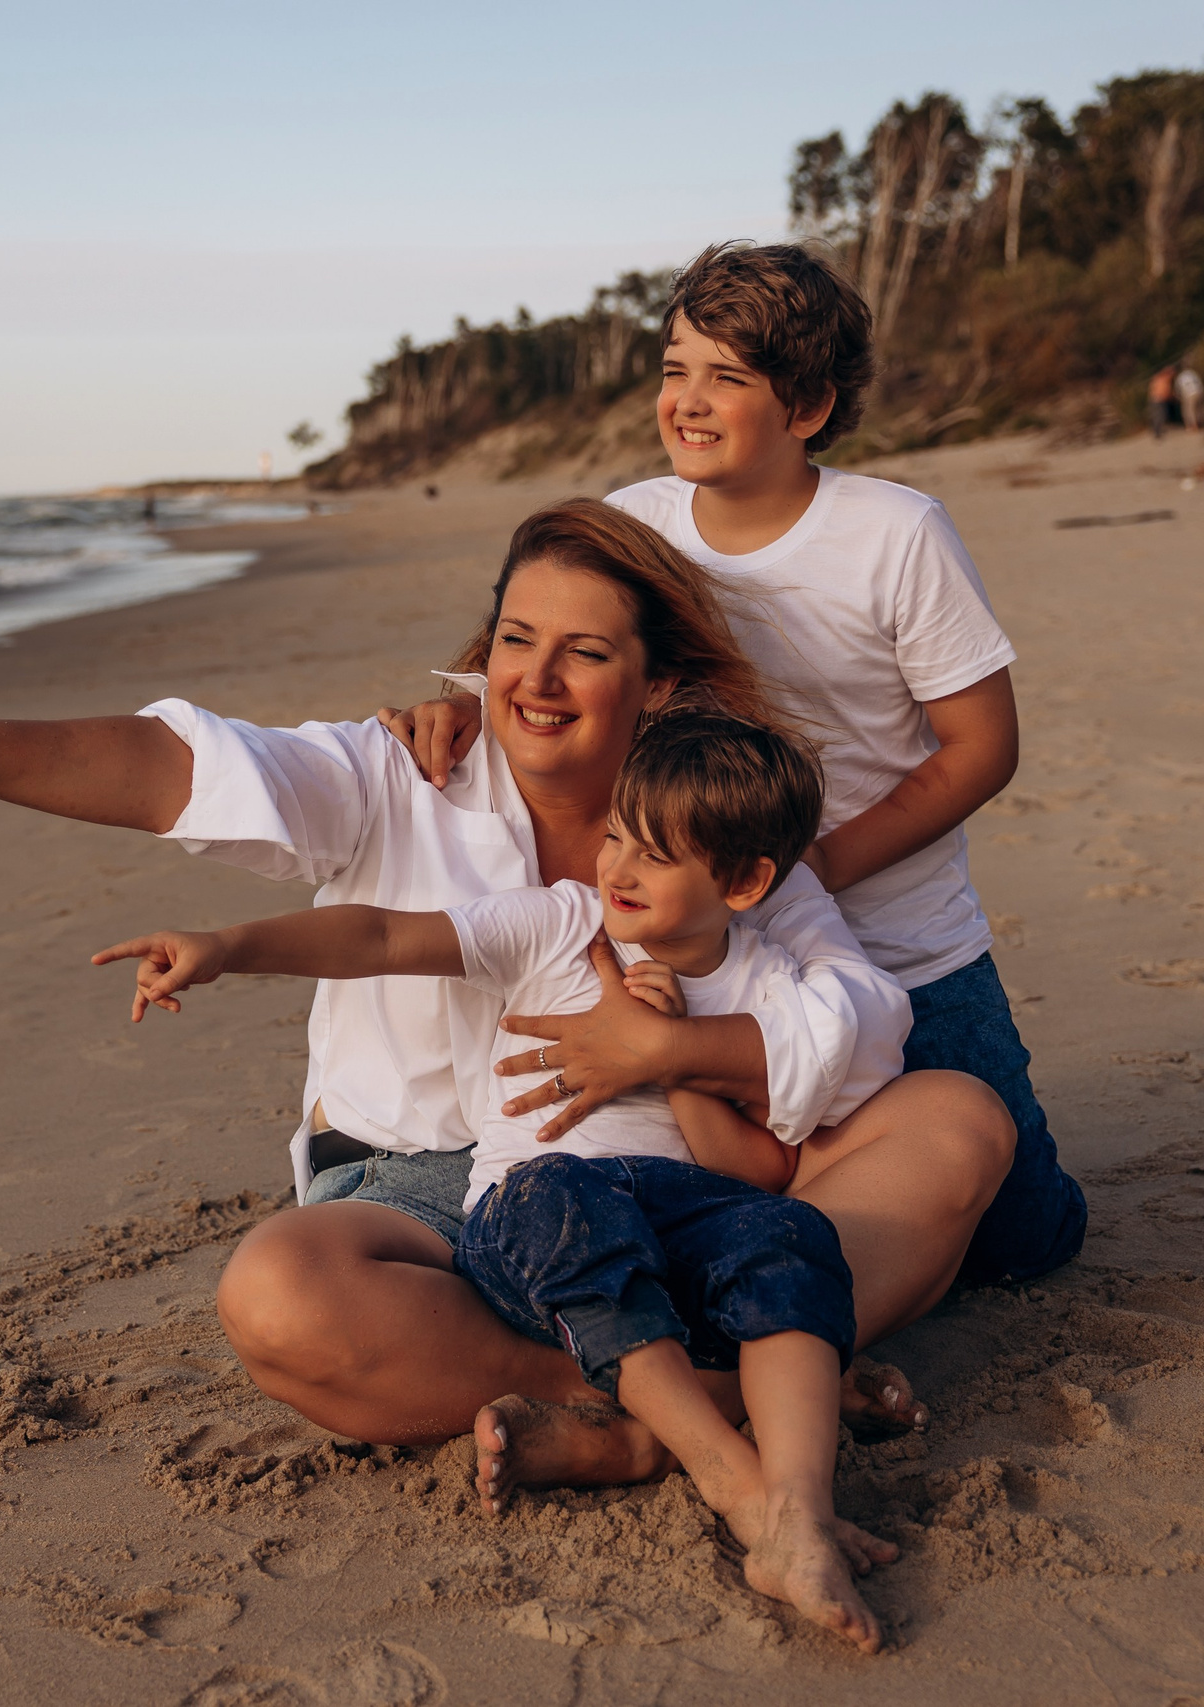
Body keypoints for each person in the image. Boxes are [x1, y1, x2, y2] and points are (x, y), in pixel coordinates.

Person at [0, 495, 1017, 1490]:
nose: (535, 680)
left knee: (959, 1124)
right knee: (280, 1294)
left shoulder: (715, 840)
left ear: (659, 683)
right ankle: (720, 1404)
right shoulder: (394, 770)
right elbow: (173, 766)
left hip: (679, 1177)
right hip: (425, 1197)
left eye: (584, 652)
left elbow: (855, 1015)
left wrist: (669, 1053)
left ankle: (640, 1415)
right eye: (515, 641)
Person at [94, 710, 914, 1649]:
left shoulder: (769, 986)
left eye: (657, 855)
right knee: (565, 1198)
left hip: (679, 1223)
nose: (618, 868)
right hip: (536, 1215)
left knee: (791, 1236)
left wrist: (673, 1060)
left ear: (744, 881)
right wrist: (230, 947)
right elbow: (380, 940)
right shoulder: (561, 926)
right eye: (616, 835)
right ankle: (730, 1476)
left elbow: (762, 1171)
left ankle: (800, 1514)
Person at [389, 242, 1086, 1300]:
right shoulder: (639, 521)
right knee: (725, 1182)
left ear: (806, 406)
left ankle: (807, 1288)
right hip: (710, 952)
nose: (688, 402)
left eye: (728, 377)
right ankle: (768, 1310)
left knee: (1020, 1242)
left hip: (902, 948)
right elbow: (540, 649)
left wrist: (803, 872)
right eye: (674, 368)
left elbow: (982, 747)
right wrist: (456, 699)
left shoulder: (892, 534)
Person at [1148, 363, 1179, 438]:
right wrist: (1173, 397)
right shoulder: (1162, 379)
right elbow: (1164, 391)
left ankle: (1158, 430)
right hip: (1158, 399)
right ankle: (1157, 432)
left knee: (1161, 415)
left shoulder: (1160, 378)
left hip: (1159, 399)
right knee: (1159, 416)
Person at [1176, 363, 1204, 433]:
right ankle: (1202, 424)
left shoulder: (1180, 377)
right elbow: (1199, 382)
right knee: (1200, 409)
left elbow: (1179, 389)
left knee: (1189, 410)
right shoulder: (1193, 373)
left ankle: (1194, 426)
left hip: (1189, 393)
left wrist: (1179, 397)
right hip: (1199, 391)